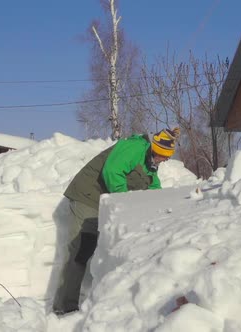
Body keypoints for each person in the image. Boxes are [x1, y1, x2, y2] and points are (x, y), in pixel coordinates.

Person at [53, 127, 180, 314]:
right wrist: (124, 203)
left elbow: (154, 188)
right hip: (88, 198)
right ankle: (65, 308)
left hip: (106, 203)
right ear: (154, 148)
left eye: (166, 157)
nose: (164, 160)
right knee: (80, 251)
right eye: (162, 156)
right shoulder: (135, 148)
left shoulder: (151, 162)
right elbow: (112, 171)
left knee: (108, 250)